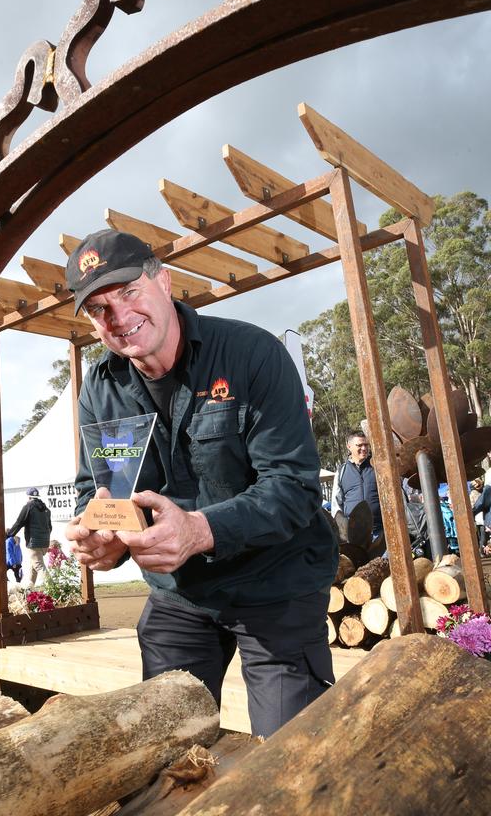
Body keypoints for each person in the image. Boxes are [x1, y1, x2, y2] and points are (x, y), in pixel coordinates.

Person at [63, 229, 337, 738]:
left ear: (163, 282)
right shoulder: (101, 389)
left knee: (291, 761)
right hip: (180, 595)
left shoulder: (250, 354)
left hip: (275, 585)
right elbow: (99, 491)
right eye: (99, 309)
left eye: (127, 292)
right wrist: (102, 536)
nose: (119, 317)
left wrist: (198, 529)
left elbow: (293, 486)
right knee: (164, 752)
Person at [331, 432, 383, 539]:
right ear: (349, 447)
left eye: (366, 445)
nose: (364, 448)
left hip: (379, 532)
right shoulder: (341, 471)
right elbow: (336, 505)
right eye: (359, 445)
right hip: (353, 535)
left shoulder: (377, 467)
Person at [6, 488, 52, 587]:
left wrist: (9, 535)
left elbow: (19, 522)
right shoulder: (46, 509)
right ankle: (29, 590)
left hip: (34, 542)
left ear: (29, 497)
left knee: (39, 566)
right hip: (45, 543)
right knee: (33, 566)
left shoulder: (28, 506)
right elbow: (50, 527)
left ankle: (53, 588)